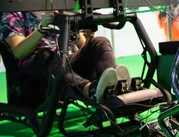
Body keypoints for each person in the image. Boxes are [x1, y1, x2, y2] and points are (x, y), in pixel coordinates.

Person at [0, 11, 130, 103]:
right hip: (37, 67)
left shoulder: (58, 10)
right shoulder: (12, 14)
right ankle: (90, 91)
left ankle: (113, 89)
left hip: (65, 60)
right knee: (49, 56)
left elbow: (83, 45)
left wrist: (71, 28)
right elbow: (19, 52)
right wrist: (42, 28)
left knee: (99, 42)